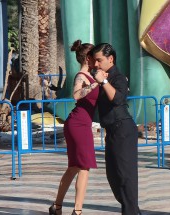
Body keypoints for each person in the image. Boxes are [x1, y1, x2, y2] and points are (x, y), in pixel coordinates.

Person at [89, 43, 140, 215]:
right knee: (113, 177)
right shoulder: (100, 77)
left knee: (126, 178)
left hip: (123, 130)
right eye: (94, 60)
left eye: (99, 60)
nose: (96, 64)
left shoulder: (118, 77)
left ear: (110, 59)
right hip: (111, 132)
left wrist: (103, 81)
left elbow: (118, 99)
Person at [49, 40, 99, 215]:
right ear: (87, 58)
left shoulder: (93, 75)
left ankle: (57, 207)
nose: (98, 61)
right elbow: (76, 94)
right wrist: (96, 84)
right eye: (95, 57)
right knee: (84, 166)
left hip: (82, 123)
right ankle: (77, 211)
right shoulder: (81, 76)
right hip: (78, 124)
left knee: (74, 167)